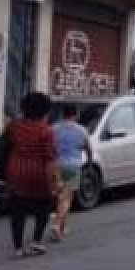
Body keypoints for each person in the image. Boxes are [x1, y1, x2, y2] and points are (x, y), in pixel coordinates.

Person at [5, 92, 61, 259]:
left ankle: (18, 248)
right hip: (38, 175)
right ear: (44, 110)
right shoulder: (46, 131)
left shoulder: (14, 126)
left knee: (17, 211)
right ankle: (36, 241)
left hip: (16, 172)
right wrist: (55, 182)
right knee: (43, 207)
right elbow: (50, 159)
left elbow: (4, 141)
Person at [51, 103, 91, 242]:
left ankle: (63, 227)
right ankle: (57, 225)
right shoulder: (82, 130)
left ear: (63, 114)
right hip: (73, 166)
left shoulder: (54, 129)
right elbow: (87, 148)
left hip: (56, 166)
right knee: (66, 198)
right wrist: (90, 163)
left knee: (60, 197)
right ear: (75, 114)